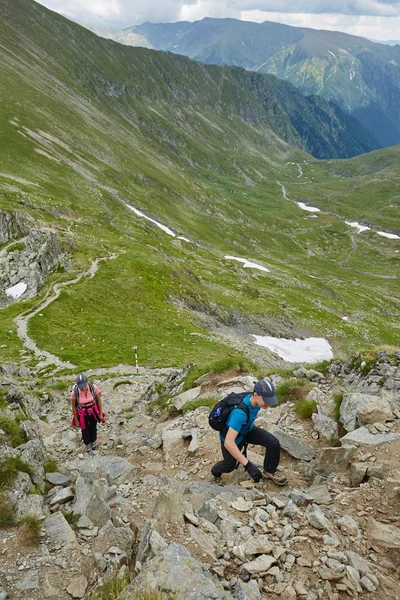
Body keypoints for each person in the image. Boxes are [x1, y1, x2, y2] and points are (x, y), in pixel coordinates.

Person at [211, 379, 288, 486]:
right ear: (256, 394)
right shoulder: (239, 413)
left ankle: (270, 470)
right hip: (233, 438)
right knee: (229, 466)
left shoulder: (255, 401)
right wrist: (248, 465)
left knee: (273, 443)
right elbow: (229, 443)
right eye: (266, 399)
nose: (268, 404)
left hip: (246, 430)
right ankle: (215, 471)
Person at [71, 374, 104, 452]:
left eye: (84, 386)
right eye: (81, 387)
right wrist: (76, 420)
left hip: (93, 411)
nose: (83, 388)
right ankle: (87, 444)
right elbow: (73, 406)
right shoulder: (75, 392)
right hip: (82, 413)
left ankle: (93, 441)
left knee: (93, 426)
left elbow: (99, 400)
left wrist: (100, 413)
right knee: (84, 429)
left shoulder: (93, 388)